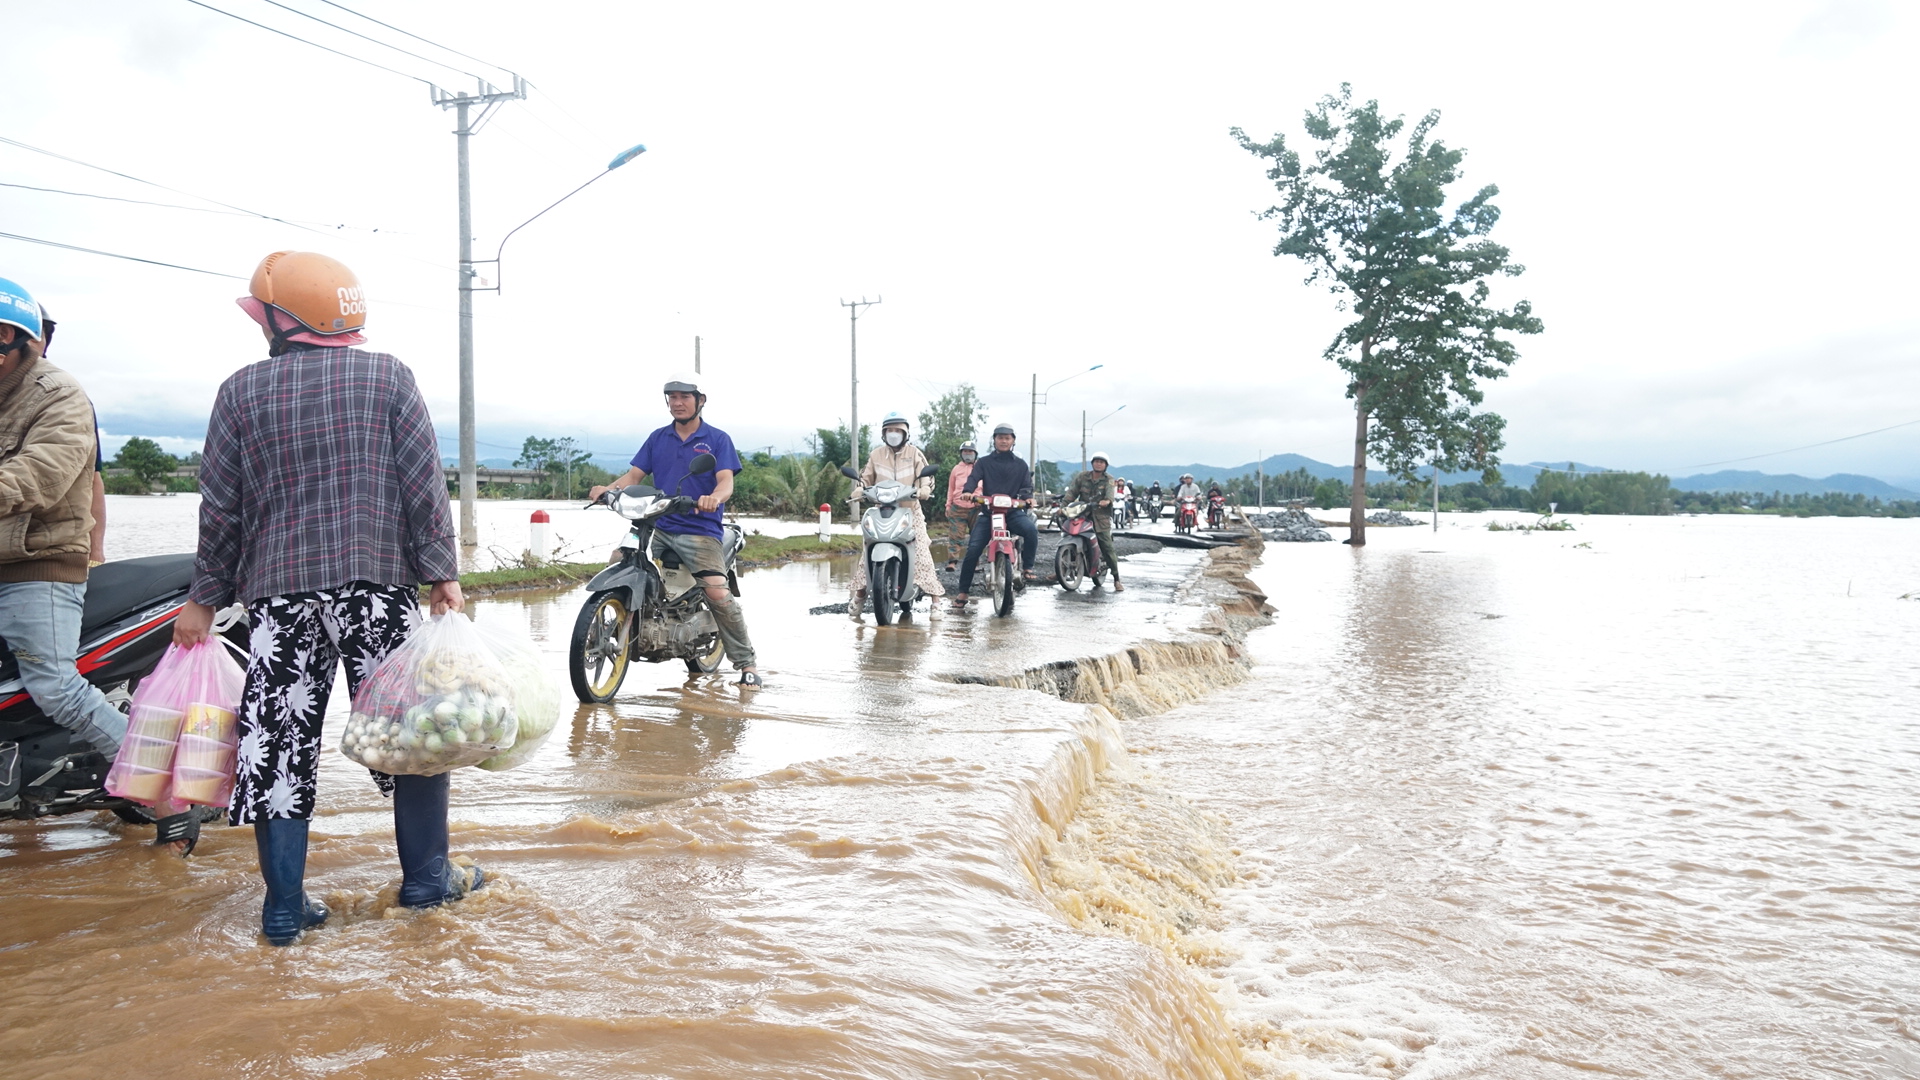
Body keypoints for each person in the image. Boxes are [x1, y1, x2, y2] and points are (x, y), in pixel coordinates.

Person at [173, 251, 471, 947]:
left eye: (263, 316)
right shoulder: (389, 375)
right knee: (411, 730)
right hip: (377, 587)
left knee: (278, 743)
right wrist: (442, 573)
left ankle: (284, 910)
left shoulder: (239, 391)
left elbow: (221, 509)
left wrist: (204, 598)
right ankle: (427, 881)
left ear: (283, 320)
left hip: (278, 597)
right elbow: (423, 484)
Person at [0, 277, 123, 757]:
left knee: (54, 687)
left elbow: (42, 473)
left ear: (10, 338)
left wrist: (97, 551)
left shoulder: (60, 395)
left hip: (38, 564)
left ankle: (157, 779)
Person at [591, 372, 760, 685]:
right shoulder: (658, 438)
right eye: (672, 397)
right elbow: (633, 477)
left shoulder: (717, 439)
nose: (677, 403)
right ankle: (614, 628)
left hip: (700, 529)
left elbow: (726, 481)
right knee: (618, 560)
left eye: (684, 397)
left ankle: (747, 665)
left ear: (700, 400)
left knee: (716, 591)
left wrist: (714, 498)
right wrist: (607, 490)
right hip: (659, 524)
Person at [846, 413, 945, 621]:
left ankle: (936, 602)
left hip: (910, 511)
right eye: (889, 430)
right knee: (868, 550)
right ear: (884, 433)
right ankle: (860, 595)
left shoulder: (914, 453)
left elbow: (926, 476)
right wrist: (859, 489)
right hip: (881, 510)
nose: (893, 434)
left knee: (921, 553)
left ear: (905, 433)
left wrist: (925, 488)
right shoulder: (876, 455)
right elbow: (865, 478)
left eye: (897, 430)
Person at [953, 424, 1038, 610]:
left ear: (1013, 441)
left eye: (1007, 438)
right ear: (994, 440)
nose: (1004, 441)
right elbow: (973, 478)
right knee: (973, 549)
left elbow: (1026, 487)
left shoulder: (1021, 465)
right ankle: (963, 592)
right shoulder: (983, 463)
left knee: (1031, 530)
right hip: (989, 513)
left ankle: (1028, 567)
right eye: (1000, 438)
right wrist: (968, 491)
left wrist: (1028, 498)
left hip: (1013, 513)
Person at [1064, 452, 1125, 591]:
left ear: (1106, 465)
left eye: (1101, 462)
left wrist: (1106, 501)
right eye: (1096, 461)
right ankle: (1061, 570)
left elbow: (1110, 495)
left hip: (1100, 518)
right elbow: (1072, 493)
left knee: (1107, 547)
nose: (1098, 464)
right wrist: (1063, 507)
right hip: (1082, 514)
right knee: (1069, 536)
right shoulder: (1082, 476)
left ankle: (1116, 579)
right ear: (1092, 463)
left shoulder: (1109, 479)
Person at [944, 440, 979, 572]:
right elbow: (951, 488)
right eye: (965, 451)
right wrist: (948, 505)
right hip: (958, 507)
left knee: (976, 536)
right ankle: (952, 561)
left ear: (975, 453)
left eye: (970, 451)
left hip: (976, 507)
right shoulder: (956, 469)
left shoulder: (980, 468)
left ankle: (975, 563)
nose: (967, 454)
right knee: (955, 535)